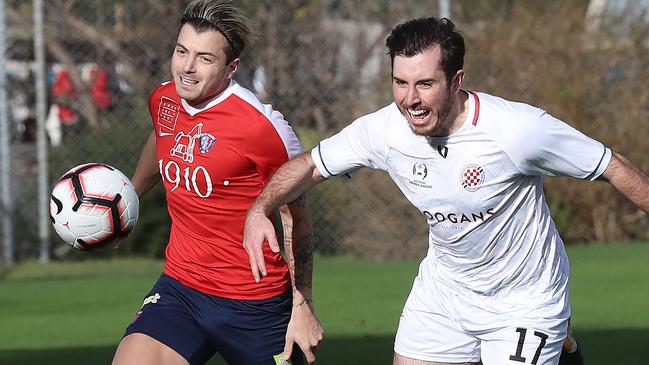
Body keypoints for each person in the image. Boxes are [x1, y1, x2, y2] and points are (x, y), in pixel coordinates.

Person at [243, 17, 649, 365]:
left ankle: (558, 342)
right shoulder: (384, 130)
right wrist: (260, 208)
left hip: (524, 300)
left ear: (456, 81)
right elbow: (310, 165)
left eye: (424, 84)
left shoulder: (517, 131)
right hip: (445, 293)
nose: (410, 100)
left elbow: (612, 167)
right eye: (399, 83)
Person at [112, 1, 323, 364]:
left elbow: (297, 219)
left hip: (255, 305)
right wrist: (130, 193)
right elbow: (161, 137)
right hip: (181, 289)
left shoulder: (261, 128)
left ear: (231, 67)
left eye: (204, 59)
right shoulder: (164, 99)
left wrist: (302, 305)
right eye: (181, 52)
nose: (187, 68)